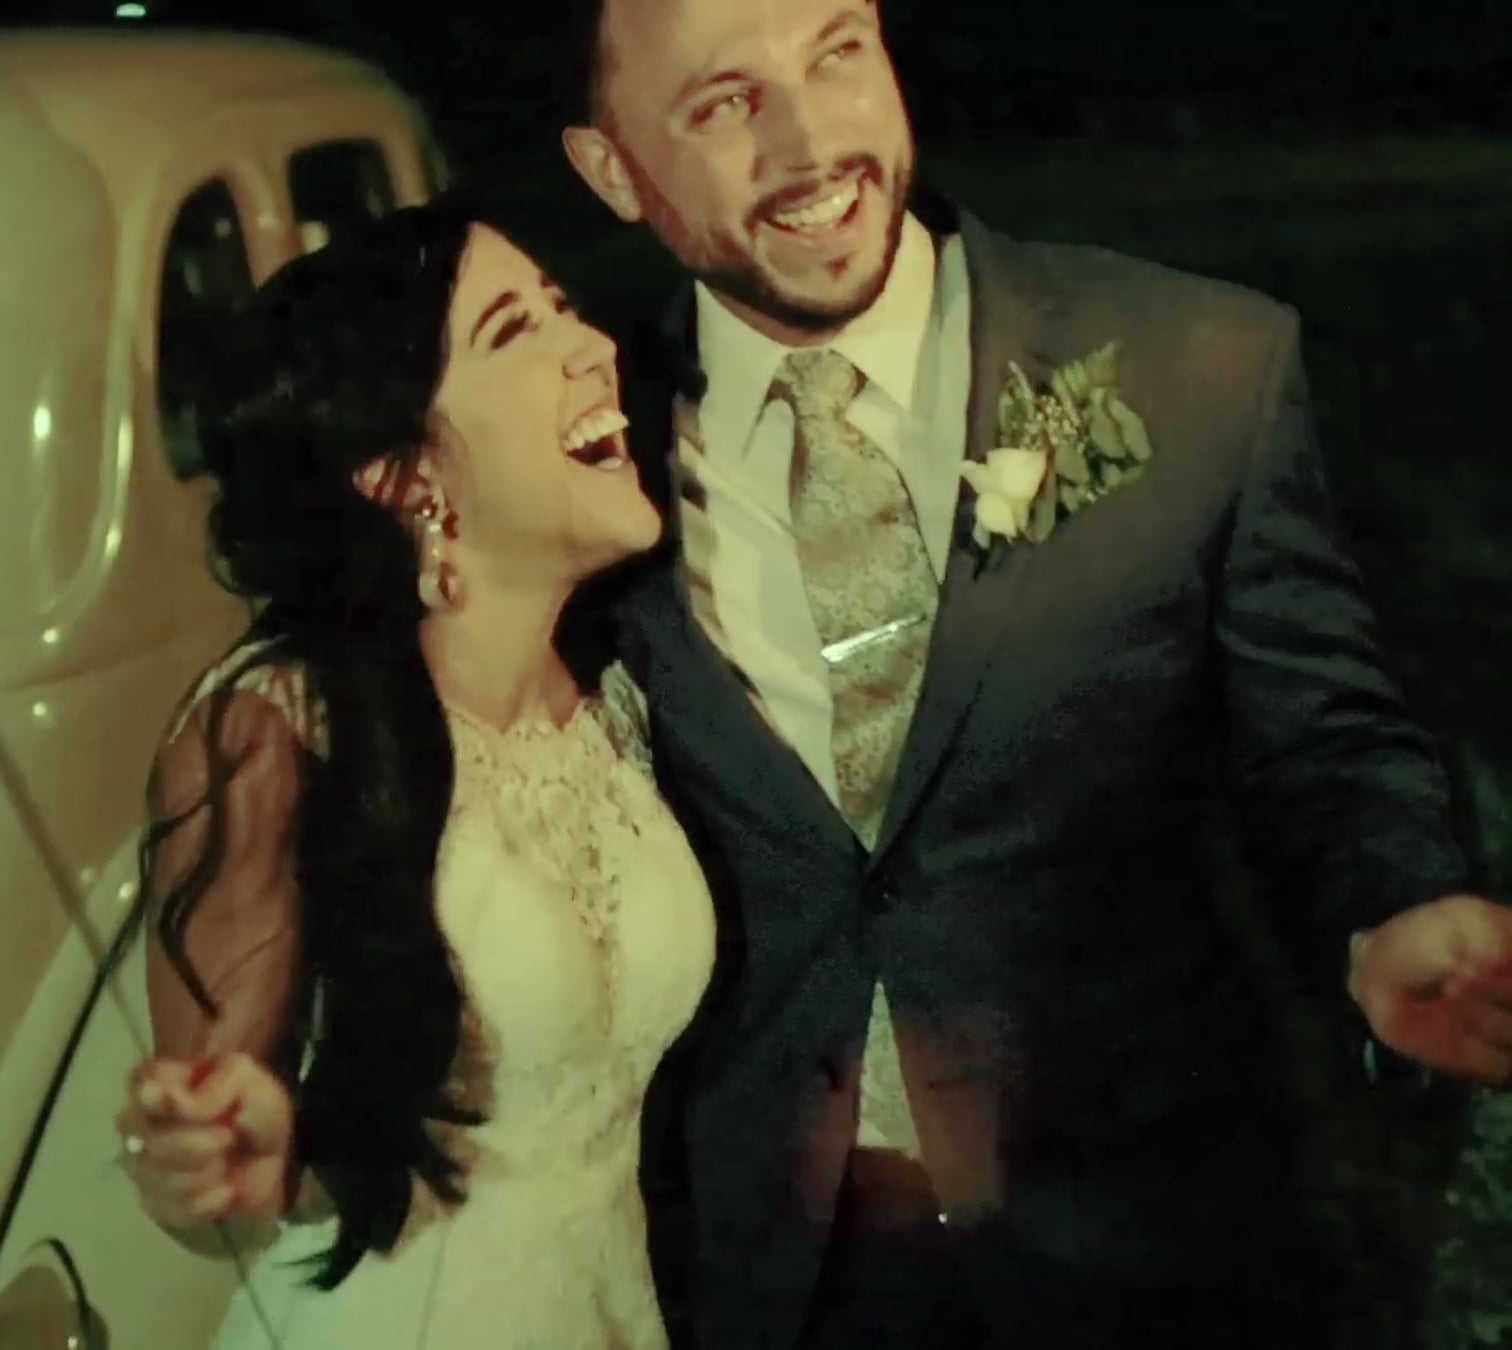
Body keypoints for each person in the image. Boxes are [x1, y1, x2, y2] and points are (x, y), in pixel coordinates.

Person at [549, 0, 1512, 1346]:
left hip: (1154, 1247)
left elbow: (1322, 739)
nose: (812, 142)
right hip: (781, 1277)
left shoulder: (1193, 362)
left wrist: (1389, 910)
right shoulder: (580, 458)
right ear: (611, 170)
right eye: (724, 104)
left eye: (837, 52)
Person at [107, 196, 714, 1348]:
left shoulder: (619, 696)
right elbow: (217, 1140)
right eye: (514, 329)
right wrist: (222, 1149)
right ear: (400, 470)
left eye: (565, 308)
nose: (591, 346)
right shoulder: (280, 728)